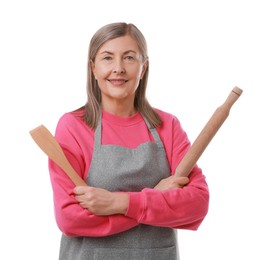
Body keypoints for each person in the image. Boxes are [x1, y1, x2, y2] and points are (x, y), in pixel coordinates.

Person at [49, 22, 209, 260]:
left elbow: (197, 204)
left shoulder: (167, 126)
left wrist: (117, 202)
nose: (118, 68)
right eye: (107, 58)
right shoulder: (73, 126)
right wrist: (155, 199)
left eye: (129, 58)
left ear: (143, 68)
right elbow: (70, 217)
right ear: (93, 68)